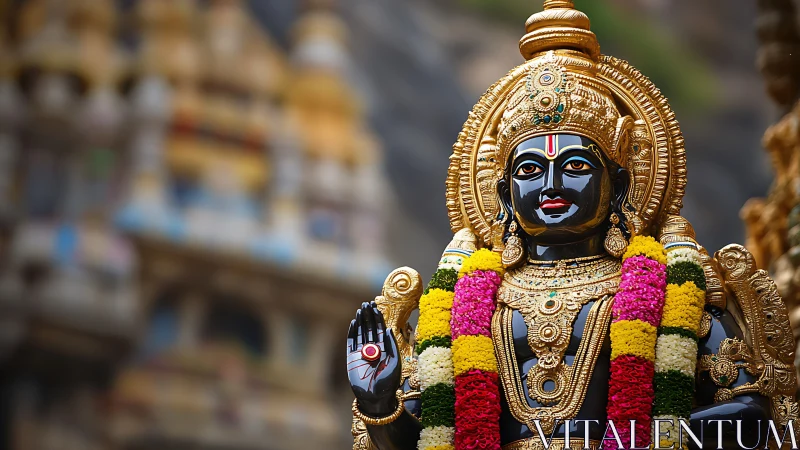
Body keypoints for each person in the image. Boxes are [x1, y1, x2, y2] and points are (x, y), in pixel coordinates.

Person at [346, 2, 798, 449]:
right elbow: (428, 440)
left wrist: (634, 440)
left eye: (576, 165)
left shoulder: (668, 295)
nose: (550, 185)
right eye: (527, 171)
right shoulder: (465, 308)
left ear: (619, 184)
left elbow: (753, 421)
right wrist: (380, 401)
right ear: (502, 193)